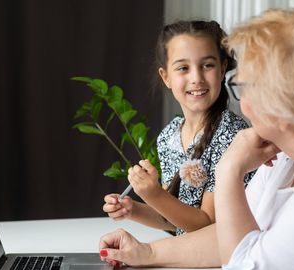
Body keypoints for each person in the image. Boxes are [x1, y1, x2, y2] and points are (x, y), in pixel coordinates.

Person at [99, 9, 294, 270]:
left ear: (287, 100)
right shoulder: (284, 160)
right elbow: (227, 236)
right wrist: (147, 253)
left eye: (243, 86)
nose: (242, 103)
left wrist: (228, 170)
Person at [103, 20, 253, 236]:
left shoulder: (231, 134)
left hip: (222, 261)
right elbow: (174, 219)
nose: (196, 78)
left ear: (222, 69)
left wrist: (154, 195)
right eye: (183, 68)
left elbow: (208, 225)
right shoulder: (169, 136)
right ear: (166, 77)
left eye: (207, 65)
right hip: (189, 260)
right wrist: (133, 209)